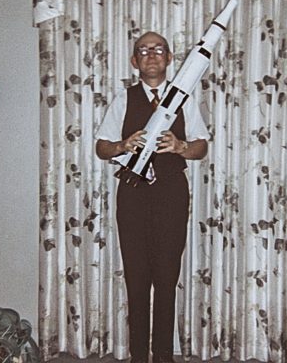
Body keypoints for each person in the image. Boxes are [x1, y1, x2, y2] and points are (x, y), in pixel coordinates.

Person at [96, 32, 209, 363]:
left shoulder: (184, 98)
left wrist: (181, 147)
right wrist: (121, 146)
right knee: (136, 276)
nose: (151, 55)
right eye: (143, 51)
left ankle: (163, 356)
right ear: (134, 62)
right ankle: (138, 356)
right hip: (132, 195)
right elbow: (102, 146)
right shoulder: (123, 98)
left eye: (158, 49)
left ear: (170, 57)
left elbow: (201, 144)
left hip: (171, 194)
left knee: (166, 275)